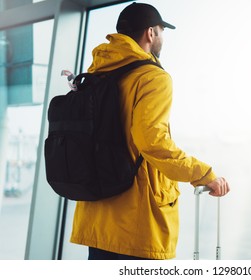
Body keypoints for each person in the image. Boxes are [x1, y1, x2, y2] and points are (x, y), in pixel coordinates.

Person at [70, 2, 230, 260]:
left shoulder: (95, 74)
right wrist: (203, 174)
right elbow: (153, 142)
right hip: (136, 224)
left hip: (97, 215)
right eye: (161, 31)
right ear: (150, 33)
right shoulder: (152, 77)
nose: (162, 37)